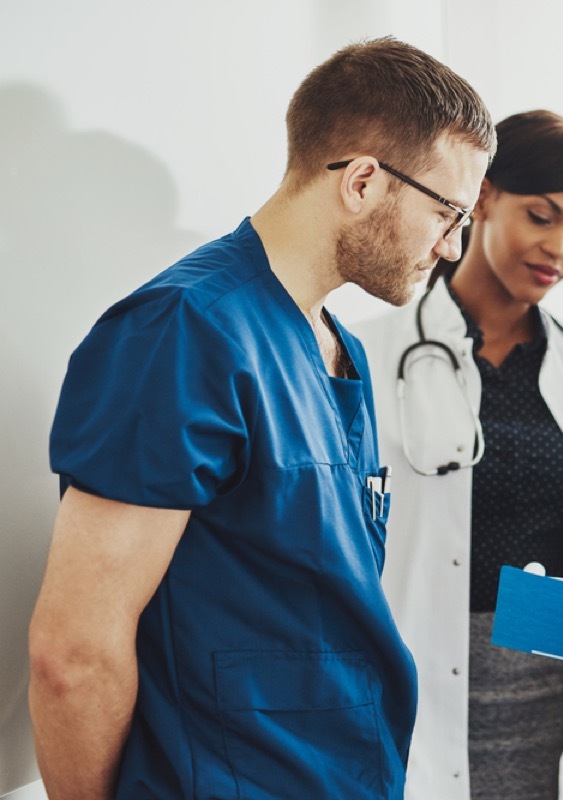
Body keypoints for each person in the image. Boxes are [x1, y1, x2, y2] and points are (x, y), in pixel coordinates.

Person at [27, 38, 494, 799]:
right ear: (365, 181)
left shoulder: (339, 348)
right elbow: (73, 654)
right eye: (447, 212)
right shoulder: (182, 332)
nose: (451, 247)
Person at [351, 110, 563, 800]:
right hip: (418, 698)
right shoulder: (368, 352)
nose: (561, 249)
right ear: (482, 196)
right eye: (541, 217)